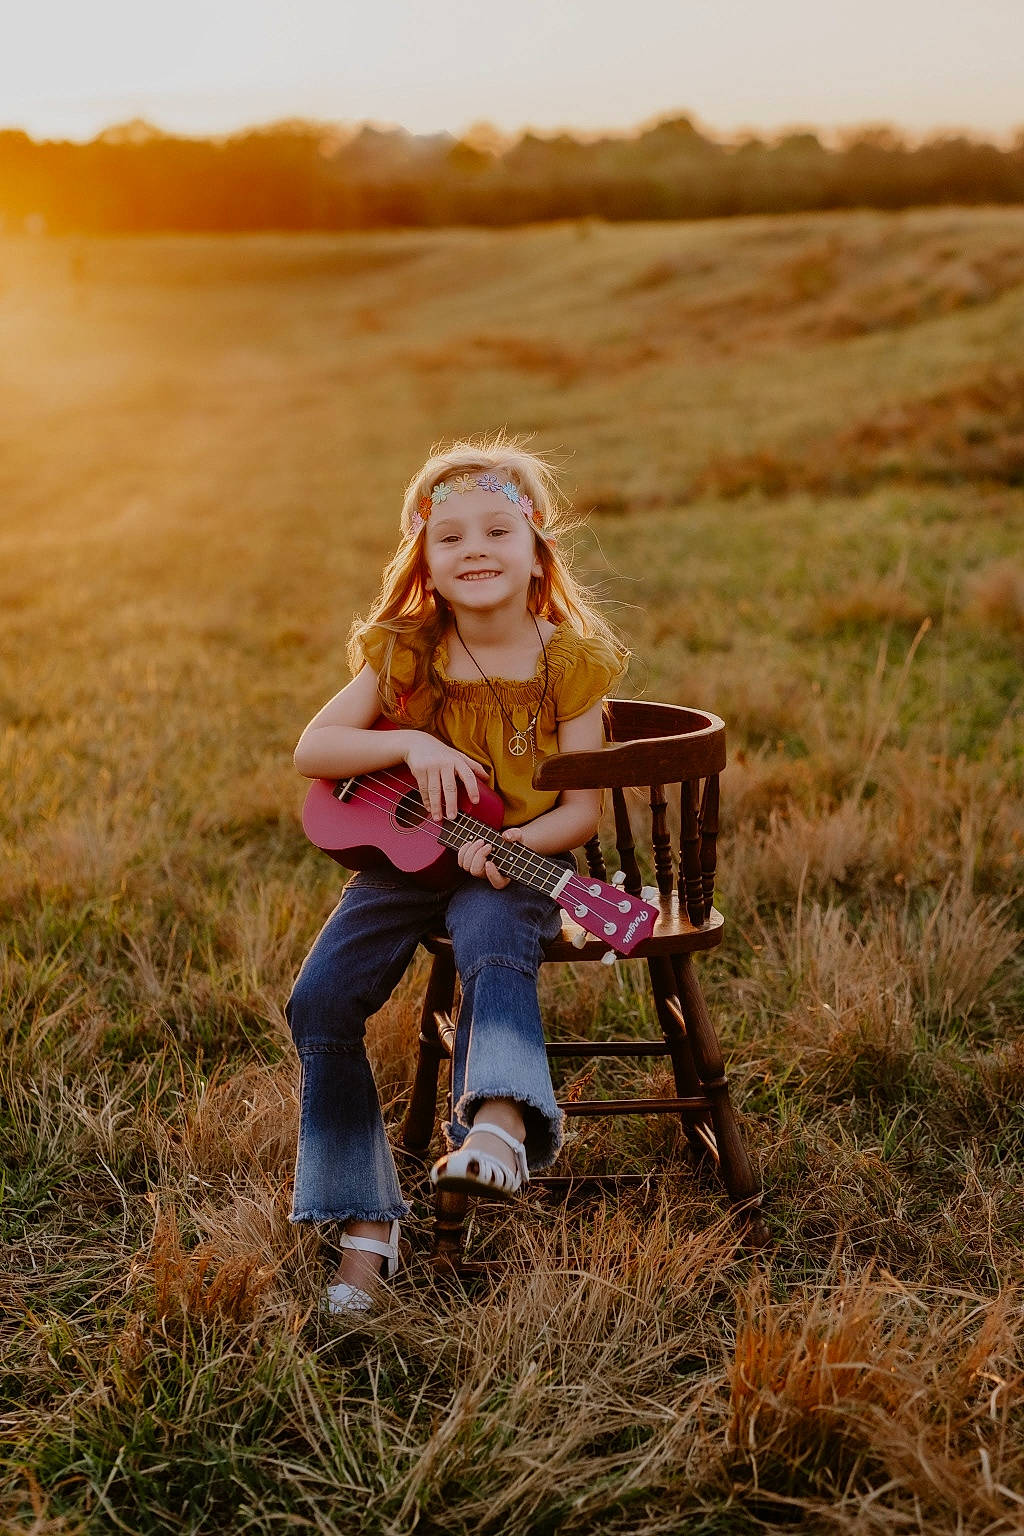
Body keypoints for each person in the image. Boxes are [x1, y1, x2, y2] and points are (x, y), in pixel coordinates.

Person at [286, 433, 627, 1314]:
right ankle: (367, 1217)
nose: (475, 549)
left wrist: (512, 850)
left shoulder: (570, 661)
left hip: (511, 867)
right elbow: (313, 749)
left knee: (487, 934)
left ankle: (502, 1124)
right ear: (426, 561)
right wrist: (409, 738)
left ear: (535, 546)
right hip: (404, 866)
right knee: (318, 1000)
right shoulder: (405, 651)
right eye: (451, 537)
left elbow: (582, 811)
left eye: (496, 531)